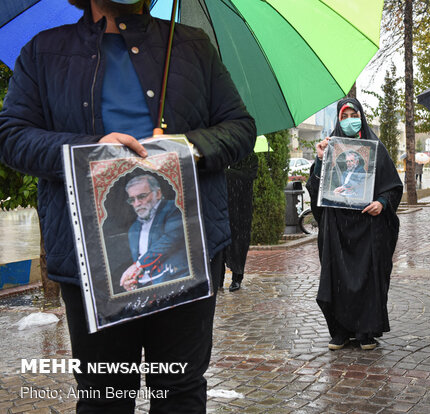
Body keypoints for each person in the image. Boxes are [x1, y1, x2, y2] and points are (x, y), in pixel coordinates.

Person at [0, 0, 256, 411]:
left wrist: (187, 147)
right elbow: (11, 137)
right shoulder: (42, 52)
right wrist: (88, 150)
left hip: (188, 251)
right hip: (92, 260)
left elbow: (240, 127)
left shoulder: (191, 46)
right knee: (104, 396)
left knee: (179, 391)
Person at [307, 98, 403, 351]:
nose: (350, 119)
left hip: (368, 228)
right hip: (337, 229)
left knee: (367, 278)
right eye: (344, 115)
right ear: (338, 120)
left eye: (354, 114)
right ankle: (340, 331)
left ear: (361, 115)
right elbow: (317, 190)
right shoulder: (329, 149)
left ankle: (366, 330)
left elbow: (392, 187)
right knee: (336, 278)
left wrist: (382, 202)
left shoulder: (376, 149)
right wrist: (319, 160)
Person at [120, 174, 189, 291]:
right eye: (132, 199)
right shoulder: (134, 228)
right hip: (148, 290)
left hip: (174, 284)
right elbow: (137, 265)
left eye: (141, 196)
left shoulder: (173, 209)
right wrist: (130, 280)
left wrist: (138, 266)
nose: (137, 203)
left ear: (157, 193)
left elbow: (170, 240)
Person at [218, 152, 258, 292]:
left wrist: (227, 173)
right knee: (220, 246)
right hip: (222, 208)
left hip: (241, 210)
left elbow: (248, 176)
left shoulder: (250, 157)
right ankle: (218, 279)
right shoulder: (224, 157)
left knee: (239, 245)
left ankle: (237, 278)